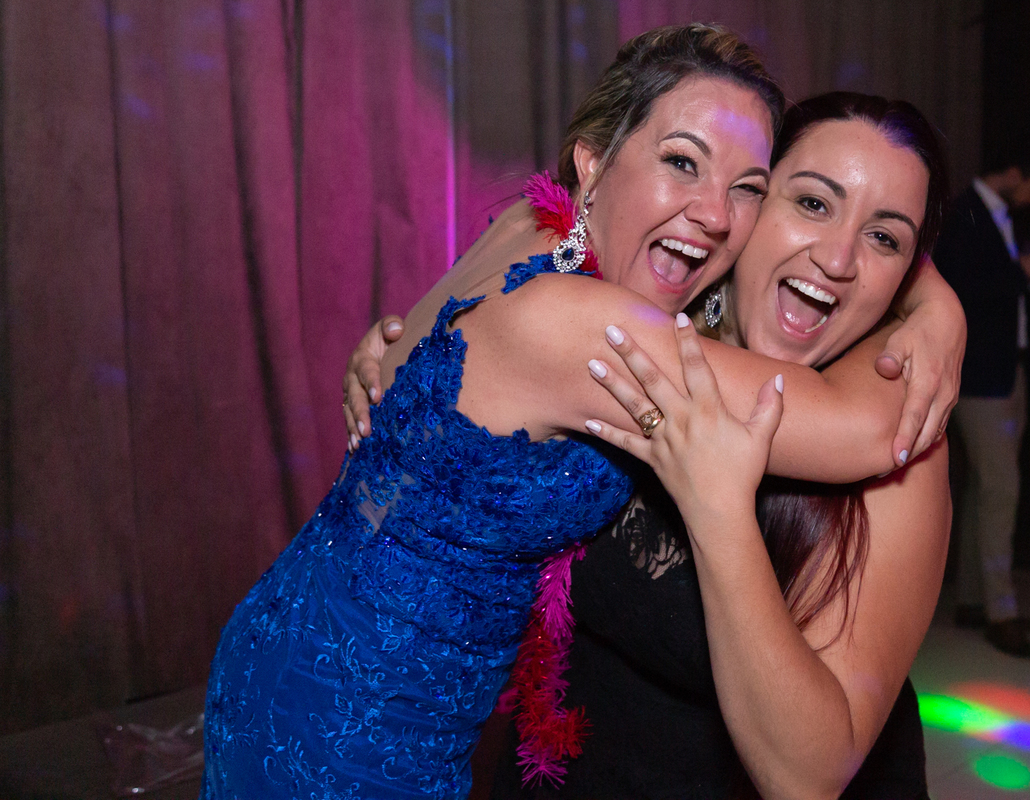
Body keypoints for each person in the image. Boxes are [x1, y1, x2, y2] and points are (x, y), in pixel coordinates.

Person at [205, 25, 965, 800]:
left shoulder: (529, 231)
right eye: (682, 161)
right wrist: (938, 309)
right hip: (358, 721)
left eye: (744, 186)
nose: (714, 212)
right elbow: (860, 422)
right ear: (592, 164)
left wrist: (920, 288)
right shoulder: (589, 325)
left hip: (290, 639)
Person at [935, 140, 1030, 658]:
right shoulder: (962, 213)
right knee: (1001, 489)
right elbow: (951, 289)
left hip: (1007, 366)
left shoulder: (1004, 217)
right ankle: (1000, 611)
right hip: (978, 374)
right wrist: (1021, 272)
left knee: (986, 489)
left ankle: (974, 600)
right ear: (1012, 171)